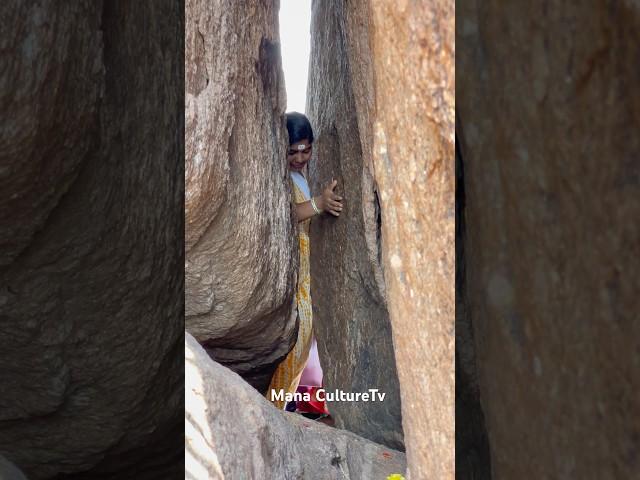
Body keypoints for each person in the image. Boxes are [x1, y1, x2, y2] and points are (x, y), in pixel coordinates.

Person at [266, 112, 343, 410]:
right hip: (292, 278)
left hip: (306, 276)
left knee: (301, 350)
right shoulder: (279, 175)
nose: (300, 157)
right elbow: (287, 212)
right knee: (294, 347)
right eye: (293, 151)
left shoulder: (301, 176)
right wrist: (319, 204)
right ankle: (273, 411)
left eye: (306, 149)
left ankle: (280, 410)